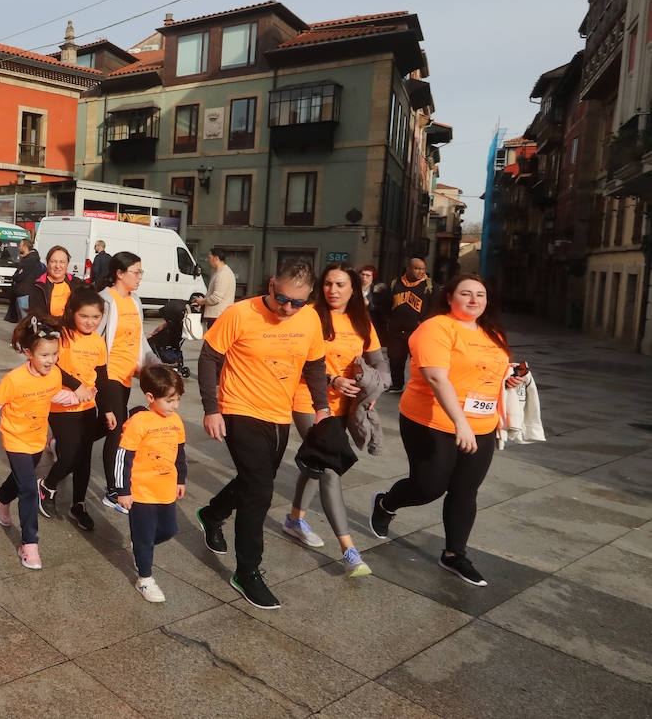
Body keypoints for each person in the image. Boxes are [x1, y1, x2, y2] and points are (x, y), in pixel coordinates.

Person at [369, 274, 521, 587]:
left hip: (481, 424)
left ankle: (454, 554)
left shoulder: (492, 332)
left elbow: (489, 370)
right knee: (429, 486)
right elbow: (437, 378)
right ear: (449, 298)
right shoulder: (435, 328)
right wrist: (460, 423)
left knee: (465, 490)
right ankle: (386, 503)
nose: (474, 300)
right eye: (466, 294)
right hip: (432, 420)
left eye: (480, 294)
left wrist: (510, 378)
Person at [195, 258, 329, 610]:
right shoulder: (240, 313)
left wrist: (323, 407)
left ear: (309, 297)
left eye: (297, 302)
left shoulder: (311, 318)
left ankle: (212, 514)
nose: (287, 308)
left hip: (278, 414)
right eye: (282, 298)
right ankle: (247, 571)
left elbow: (315, 365)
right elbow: (209, 358)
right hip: (239, 409)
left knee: (255, 480)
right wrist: (212, 408)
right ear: (271, 284)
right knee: (260, 491)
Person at [282, 263, 387, 577]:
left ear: (353, 288)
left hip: (345, 406)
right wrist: (331, 380)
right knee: (330, 468)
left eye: (340, 284)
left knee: (316, 465)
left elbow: (380, 361)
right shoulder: (308, 315)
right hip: (309, 400)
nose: (333, 290)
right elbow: (295, 360)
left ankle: (294, 520)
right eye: (328, 283)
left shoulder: (361, 320)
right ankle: (349, 551)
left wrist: (375, 389)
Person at [0, 314, 88, 569]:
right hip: (15, 439)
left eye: (55, 354)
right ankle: (29, 545)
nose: (51, 360)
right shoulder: (14, 380)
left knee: (19, 481)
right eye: (45, 355)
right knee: (29, 489)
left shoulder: (54, 374)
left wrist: (79, 398)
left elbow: (54, 396)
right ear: (28, 353)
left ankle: (0, 498)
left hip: (36, 438)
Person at [39, 286, 114, 530]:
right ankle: (47, 486)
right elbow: (52, 365)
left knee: (83, 458)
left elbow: (102, 378)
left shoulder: (98, 343)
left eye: (96, 317)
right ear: (72, 313)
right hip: (60, 405)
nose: (90, 322)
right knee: (71, 453)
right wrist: (77, 385)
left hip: (87, 407)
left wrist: (107, 409)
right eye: (84, 316)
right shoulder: (61, 336)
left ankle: (78, 504)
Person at [114, 366, 188, 603]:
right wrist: (123, 491)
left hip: (166, 489)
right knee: (145, 537)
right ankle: (144, 579)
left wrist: (181, 479)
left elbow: (180, 453)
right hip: (141, 492)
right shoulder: (139, 422)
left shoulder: (175, 420)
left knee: (169, 531)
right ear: (150, 398)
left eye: (177, 400)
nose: (174, 405)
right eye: (169, 400)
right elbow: (122, 457)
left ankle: (141, 547)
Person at [98, 252, 158, 511]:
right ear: (120, 273)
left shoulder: (135, 301)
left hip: (126, 376)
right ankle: (112, 489)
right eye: (136, 272)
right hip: (107, 373)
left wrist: (151, 364)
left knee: (110, 423)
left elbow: (140, 338)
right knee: (117, 430)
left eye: (141, 272)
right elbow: (95, 338)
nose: (140, 277)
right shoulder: (104, 300)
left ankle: (67, 442)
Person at [385, 258, 432, 392]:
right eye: (417, 268)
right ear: (408, 269)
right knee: (395, 358)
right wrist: (389, 320)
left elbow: (434, 308)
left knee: (417, 361)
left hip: (418, 332)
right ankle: (397, 385)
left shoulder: (429, 286)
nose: (421, 272)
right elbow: (386, 304)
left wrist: (425, 322)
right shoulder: (395, 284)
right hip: (397, 330)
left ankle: (416, 386)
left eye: (423, 269)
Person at [28, 246, 75, 318]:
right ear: (47, 263)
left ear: (67, 264)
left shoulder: (77, 284)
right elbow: (36, 315)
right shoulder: (38, 286)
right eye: (53, 261)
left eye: (62, 262)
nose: (58, 266)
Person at [200, 248, 236, 328]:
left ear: (216, 258)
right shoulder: (220, 272)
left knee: (212, 340)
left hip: (217, 316)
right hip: (217, 316)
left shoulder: (223, 274)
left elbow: (216, 298)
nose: (208, 260)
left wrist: (202, 301)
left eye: (209, 257)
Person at [11, 240, 43, 317]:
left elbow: (18, 276)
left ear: (25, 247)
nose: (19, 248)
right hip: (24, 293)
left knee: (25, 320)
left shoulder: (29, 261)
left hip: (25, 293)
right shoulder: (29, 259)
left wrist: (16, 275)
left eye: (20, 246)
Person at [360, 265, 388, 340]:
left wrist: (369, 305)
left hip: (372, 321)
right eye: (362, 274)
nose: (364, 277)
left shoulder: (378, 290)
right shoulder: (354, 289)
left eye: (368, 275)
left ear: (373, 277)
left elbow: (382, 308)